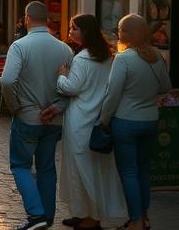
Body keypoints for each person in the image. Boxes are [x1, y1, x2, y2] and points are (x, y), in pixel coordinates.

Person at [0, 1, 74, 230]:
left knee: (20, 165)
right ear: (48, 20)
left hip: (27, 117)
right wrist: (59, 106)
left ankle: (36, 215)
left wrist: (15, 106)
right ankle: (48, 217)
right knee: (46, 167)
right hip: (53, 119)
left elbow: (8, 80)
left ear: (27, 18)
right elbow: (71, 85)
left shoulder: (20, 46)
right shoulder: (65, 49)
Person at [100, 14, 172, 230]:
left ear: (129, 34)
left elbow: (112, 94)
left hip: (126, 121)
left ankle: (136, 221)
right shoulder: (156, 57)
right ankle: (145, 216)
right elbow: (166, 87)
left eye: (121, 30)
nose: (118, 34)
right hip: (150, 120)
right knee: (143, 170)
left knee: (129, 172)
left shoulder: (123, 59)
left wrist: (104, 120)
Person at [55, 14, 124, 230]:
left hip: (80, 119)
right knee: (92, 167)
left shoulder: (82, 59)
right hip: (97, 116)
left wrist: (61, 76)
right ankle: (83, 211)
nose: (70, 32)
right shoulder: (108, 57)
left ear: (85, 32)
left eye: (74, 28)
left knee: (79, 167)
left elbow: (71, 87)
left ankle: (90, 216)